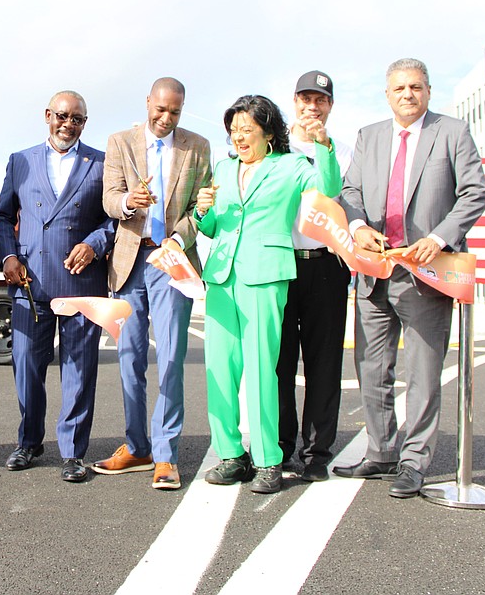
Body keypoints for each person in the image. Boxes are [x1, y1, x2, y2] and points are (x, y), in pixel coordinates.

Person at [333, 58, 485, 498]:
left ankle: (414, 461)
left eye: (415, 87)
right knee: (371, 366)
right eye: (399, 88)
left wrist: (440, 238)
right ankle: (381, 452)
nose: (407, 94)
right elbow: (350, 192)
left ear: (428, 91)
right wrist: (359, 226)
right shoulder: (370, 136)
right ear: (387, 94)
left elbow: (475, 193)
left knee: (423, 372)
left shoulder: (452, 133)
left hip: (426, 272)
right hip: (375, 271)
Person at [194, 95, 340, 494]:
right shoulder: (223, 168)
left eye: (247, 130)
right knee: (220, 371)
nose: (238, 137)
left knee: (262, 371)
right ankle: (230, 454)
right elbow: (211, 228)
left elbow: (329, 190)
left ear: (269, 132)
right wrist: (201, 211)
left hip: (265, 277)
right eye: (234, 130)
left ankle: (267, 460)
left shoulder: (292, 166)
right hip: (222, 276)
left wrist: (323, 146)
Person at [93, 77, 212, 490]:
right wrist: (128, 203)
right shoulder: (120, 142)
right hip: (129, 261)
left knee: (173, 359)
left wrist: (178, 239)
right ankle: (137, 446)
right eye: (160, 109)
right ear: (148, 103)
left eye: (175, 112)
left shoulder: (197, 147)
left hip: (171, 260)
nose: (166, 118)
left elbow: (202, 207)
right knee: (129, 360)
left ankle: (166, 455)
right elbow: (108, 198)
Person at [0, 90, 115, 483]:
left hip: (81, 283)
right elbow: (1, 218)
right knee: (27, 366)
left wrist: (94, 245)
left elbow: (114, 219)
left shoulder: (102, 163)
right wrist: (8, 257)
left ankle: (74, 452)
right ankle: (29, 442)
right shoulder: (20, 161)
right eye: (62, 116)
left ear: (84, 123)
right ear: (48, 115)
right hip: (30, 283)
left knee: (79, 370)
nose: (68, 124)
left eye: (77, 119)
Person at [276, 70, 355, 483]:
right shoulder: (275, 147)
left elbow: (339, 195)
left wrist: (323, 147)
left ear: (330, 106)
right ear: (294, 101)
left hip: (327, 264)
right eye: (305, 98)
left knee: (324, 364)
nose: (312, 106)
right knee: (280, 362)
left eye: (320, 100)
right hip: (282, 265)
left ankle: (318, 451)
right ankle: (282, 446)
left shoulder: (343, 150)